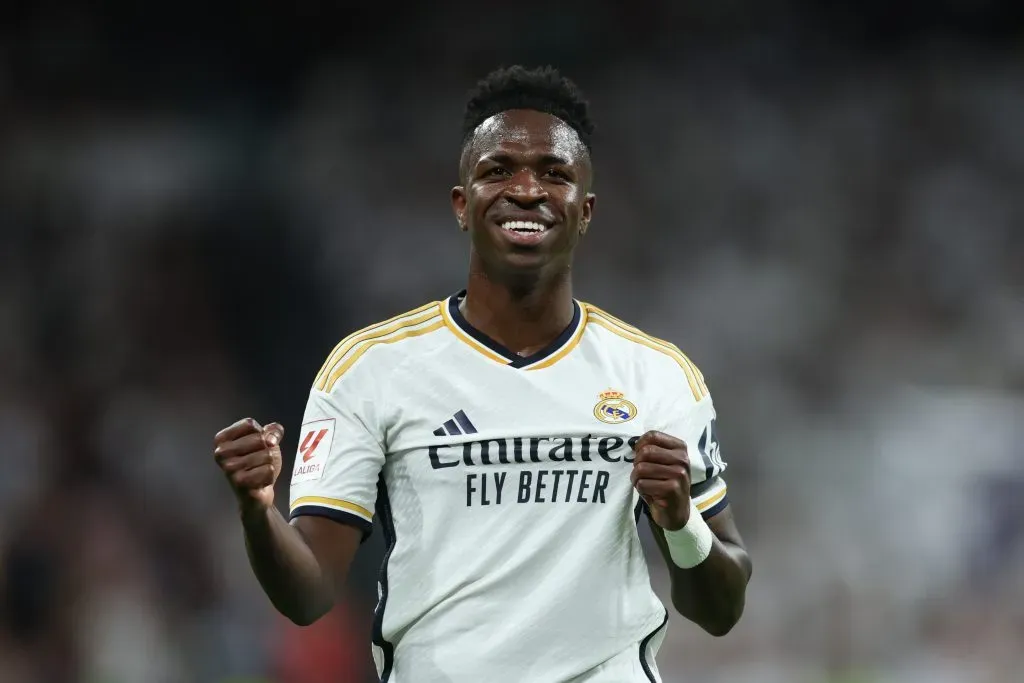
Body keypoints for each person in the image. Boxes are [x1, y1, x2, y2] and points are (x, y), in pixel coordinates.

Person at [212, 65, 752, 683]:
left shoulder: (656, 375)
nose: (527, 190)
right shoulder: (371, 370)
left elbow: (721, 608)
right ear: (462, 205)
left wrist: (681, 523)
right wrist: (259, 513)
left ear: (586, 211)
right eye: (499, 171)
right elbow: (309, 596)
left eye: (555, 173)